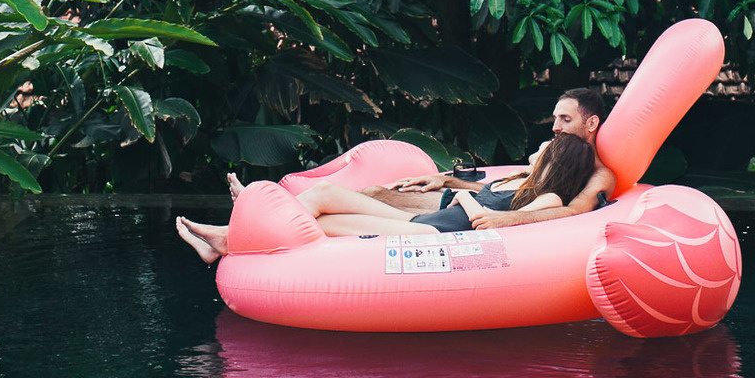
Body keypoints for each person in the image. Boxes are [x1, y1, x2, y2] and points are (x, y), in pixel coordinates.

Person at [175, 87, 617, 264]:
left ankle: (233, 235)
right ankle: (235, 234)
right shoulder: (548, 160)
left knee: (325, 206)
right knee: (330, 206)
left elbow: (562, 210)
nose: (554, 128)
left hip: (442, 227)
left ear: (591, 123)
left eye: (563, 120)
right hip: (446, 216)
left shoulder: (592, 175)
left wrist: (476, 206)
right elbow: (505, 188)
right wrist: (448, 182)